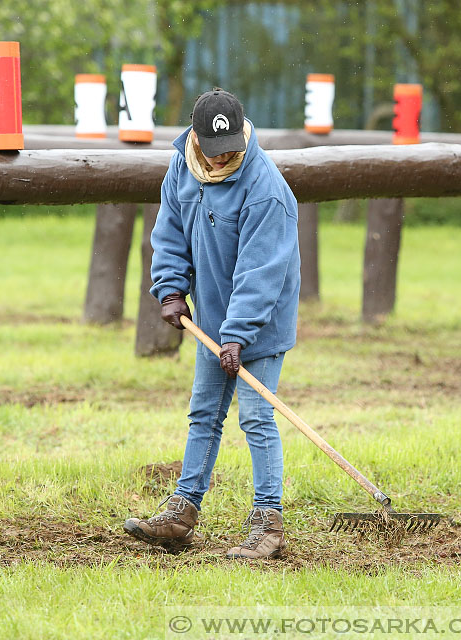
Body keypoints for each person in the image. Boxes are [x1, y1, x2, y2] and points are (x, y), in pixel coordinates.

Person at [123, 88, 300, 560]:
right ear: (197, 139)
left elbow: (260, 273)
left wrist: (239, 335)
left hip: (257, 324)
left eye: (230, 152)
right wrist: (171, 289)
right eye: (212, 151)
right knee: (204, 414)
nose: (221, 160)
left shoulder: (265, 189)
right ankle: (181, 512)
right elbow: (171, 230)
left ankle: (268, 523)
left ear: (242, 136)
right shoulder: (182, 165)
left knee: (258, 418)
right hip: (213, 320)